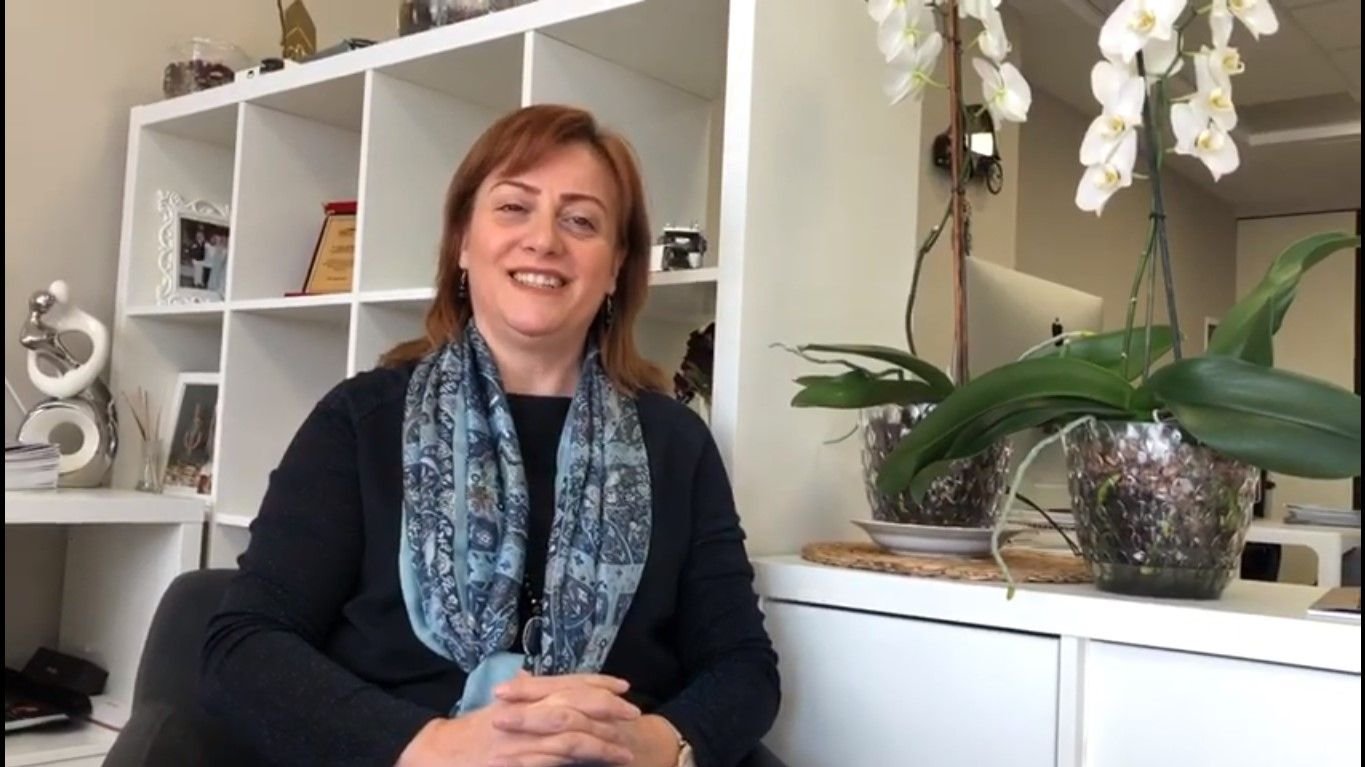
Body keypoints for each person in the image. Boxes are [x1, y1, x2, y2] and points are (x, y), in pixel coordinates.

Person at [200, 104, 782, 767]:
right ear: (462, 242)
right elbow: (243, 647)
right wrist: (432, 746)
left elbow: (742, 665)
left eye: (581, 220)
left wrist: (657, 744)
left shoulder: (676, 443)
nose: (544, 240)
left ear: (617, 265)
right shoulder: (360, 422)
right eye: (513, 207)